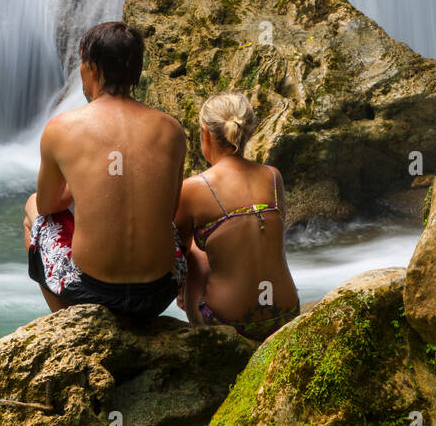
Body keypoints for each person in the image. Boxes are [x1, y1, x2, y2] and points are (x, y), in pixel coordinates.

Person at [24, 21, 187, 319]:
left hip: (91, 292)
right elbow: (171, 211)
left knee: (33, 206)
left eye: (82, 64)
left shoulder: (62, 128)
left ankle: (67, 324)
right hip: (159, 291)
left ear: (94, 68)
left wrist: (81, 183)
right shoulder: (172, 130)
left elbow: (48, 205)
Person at [174, 91, 300, 342]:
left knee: (194, 253)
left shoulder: (193, 187)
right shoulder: (272, 176)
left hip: (228, 323)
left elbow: (175, 251)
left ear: (205, 134)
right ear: (249, 132)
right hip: (286, 314)